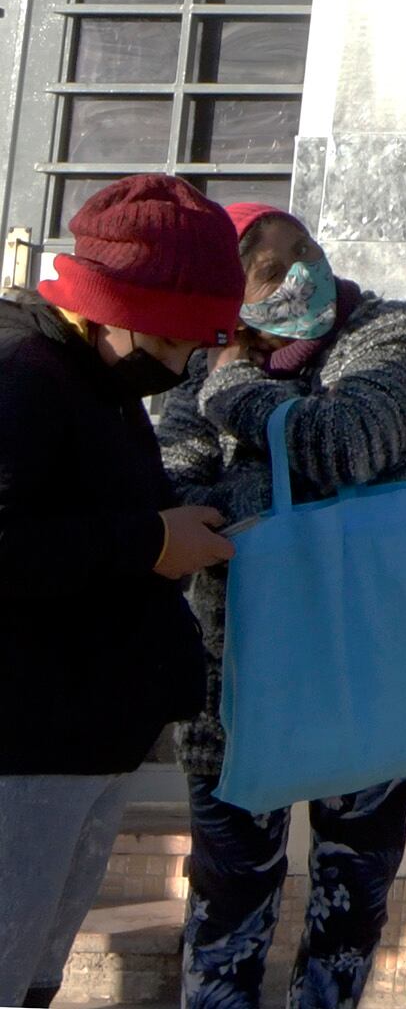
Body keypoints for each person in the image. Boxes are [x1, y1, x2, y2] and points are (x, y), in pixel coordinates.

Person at [156, 204, 406, 1009]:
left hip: (370, 674)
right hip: (238, 687)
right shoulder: (198, 361)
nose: (295, 275)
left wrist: (238, 392)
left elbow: (348, 441)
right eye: (264, 265)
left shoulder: (392, 334)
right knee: (225, 910)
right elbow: (177, 491)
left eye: (306, 251)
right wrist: (232, 413)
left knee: (347, 909)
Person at [0, 178, 242, 1009]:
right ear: (114, 307)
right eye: (172, 343)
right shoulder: (22, 372)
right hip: (24, 742)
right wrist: (150, 542)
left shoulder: (88, 376)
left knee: (34, 980)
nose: (175, 367)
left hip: (83, 738)